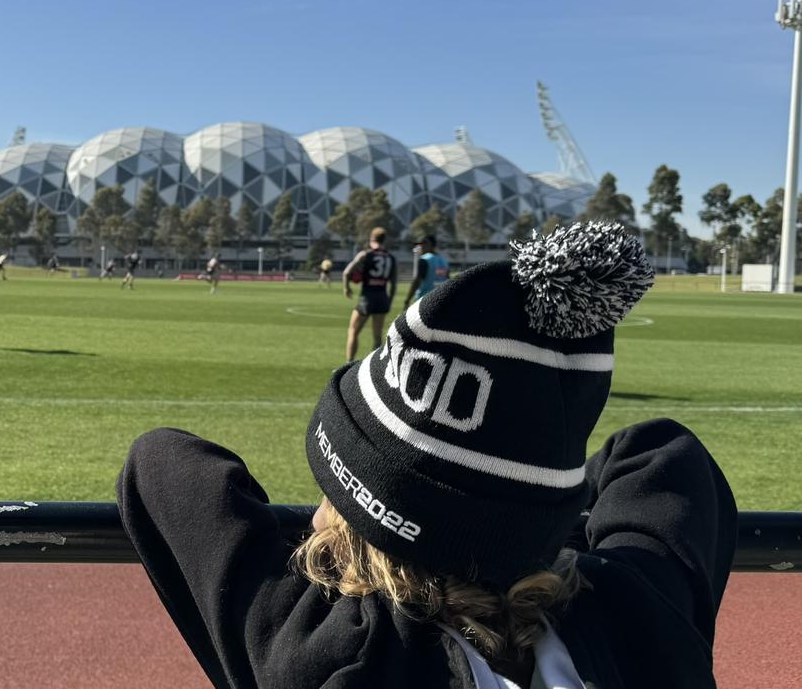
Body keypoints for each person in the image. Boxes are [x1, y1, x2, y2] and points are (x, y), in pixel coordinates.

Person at [117, 222, 736, 689]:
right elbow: (662, 453)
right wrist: (527, 526)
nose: (313, 517)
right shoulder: (639, 621)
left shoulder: (326, 656)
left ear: (362, 517)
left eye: (331, 494)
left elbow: (160, 463)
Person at [342, 227, 398, 362]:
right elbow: (394, 284)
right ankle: (374, 368)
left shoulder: (365, 254)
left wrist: (346, 288)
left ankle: (349, 363)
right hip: (382, 297)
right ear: (384, 240)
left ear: (371, 238)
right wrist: (389, 301)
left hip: (367, 297)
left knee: (353, 331)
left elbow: (346, 273)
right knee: (377, 336)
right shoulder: (390, 257)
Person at [404, 234, 451, 309]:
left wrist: (407, 299)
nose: (420, 247)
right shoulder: (444, 261)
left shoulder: (424, 259)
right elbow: (448, 280)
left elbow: (417, 281)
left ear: (429, 245)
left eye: (422, 244)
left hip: (424, 300)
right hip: (441, 300)